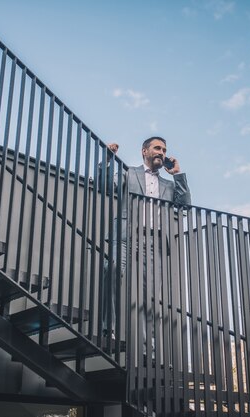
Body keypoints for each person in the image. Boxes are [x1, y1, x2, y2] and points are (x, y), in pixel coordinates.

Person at [99, 136, 191, 346]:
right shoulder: (129, 173)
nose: (162, 152)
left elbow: (184, 205)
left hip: (154, 240)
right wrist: (106, 159)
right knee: (111, 267)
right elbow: (104, 186)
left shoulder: (168, 185)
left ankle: (147, 345)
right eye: (157, 148)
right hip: (126, 234)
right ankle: (108, 329)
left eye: (164, 150)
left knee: (149, 293)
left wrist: (177, 175)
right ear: (144, 151)